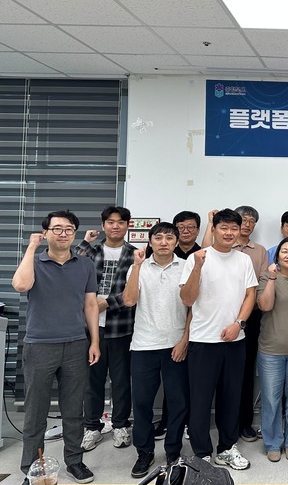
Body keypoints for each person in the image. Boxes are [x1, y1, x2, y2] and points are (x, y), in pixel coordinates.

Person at [13, 210, 100, 485]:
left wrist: (94, 341)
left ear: (75, 233)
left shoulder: (85, 264)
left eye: (69, 229)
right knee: (35, 412)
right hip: (39, 346)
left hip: (76, 344)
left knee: (74, 410)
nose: (64, 233)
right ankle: (31, 469)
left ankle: (74, 462)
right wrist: (31, 248)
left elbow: (90, 304)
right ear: (46, 232)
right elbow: (21, 285)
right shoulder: (34, 262)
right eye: (57, 228)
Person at [180, 208, 257, 470]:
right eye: (224, 227)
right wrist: (197, 267)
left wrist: (239, 324)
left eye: (234, 228)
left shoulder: (243, 260)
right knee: (200, 400)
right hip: (203, 341)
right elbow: (187, 299)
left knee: (231, 398)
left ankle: (226, 448)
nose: (229, 233)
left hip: (235, 340)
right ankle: (202, 452)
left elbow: (250, 295)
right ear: (213, 229)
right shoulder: (197, 258)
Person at [122, 223, 190, 477]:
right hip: (144, 345)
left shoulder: (186, 266)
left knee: (178, 402)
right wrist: (138, 266)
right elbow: (129, 300)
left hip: (175, 345)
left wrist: (184, 341)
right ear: (150, 242)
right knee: (141, 402)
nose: (163, 242)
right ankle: (144, 452)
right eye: (158, 238)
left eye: (169, 238)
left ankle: (173, 450)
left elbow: (193, 307)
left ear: (176, 242)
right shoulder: (137, 267)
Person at [203, 206, 268, 442]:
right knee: (210, 376)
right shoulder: (215, 248)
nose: (247, 224)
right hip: (215, 318)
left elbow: (261, 281)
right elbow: (203, 258)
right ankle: (208, 427)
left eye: (252, 221)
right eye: (244, 220)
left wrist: (245, 313)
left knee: (244, 373)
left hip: (248, 317)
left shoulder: (258, 251)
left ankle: (244, 423)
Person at [77, 206, 136, 451]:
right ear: (103, 225)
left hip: (122, 327)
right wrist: (85, 242)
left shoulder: (135, 254)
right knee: (93, 380)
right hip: (91, 327)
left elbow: (136, 290)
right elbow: (71, 274)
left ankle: (120, 424)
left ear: (127, 226)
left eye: (120, 222)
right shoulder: (91, 252)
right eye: (110, 222)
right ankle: (92, 427)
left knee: (121, 380)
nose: (115, 226)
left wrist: (107, 303)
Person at [151, 210, 201, 440]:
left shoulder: (202, 255)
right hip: (162, 331)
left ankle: (189, 423)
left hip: (194, 328)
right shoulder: (163, 253)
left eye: (191, 227)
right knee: (171, 385)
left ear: (198, 231)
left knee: (191, 381)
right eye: (181, 227)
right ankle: (167, 422)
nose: (186, 231)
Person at [257, 237, 288, 463]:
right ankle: (272, 442)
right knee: (271, 399)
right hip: (270, 350)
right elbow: (265, 305)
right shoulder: (267, 277)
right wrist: (272, 278)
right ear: (277, 256)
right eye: (284, 251)